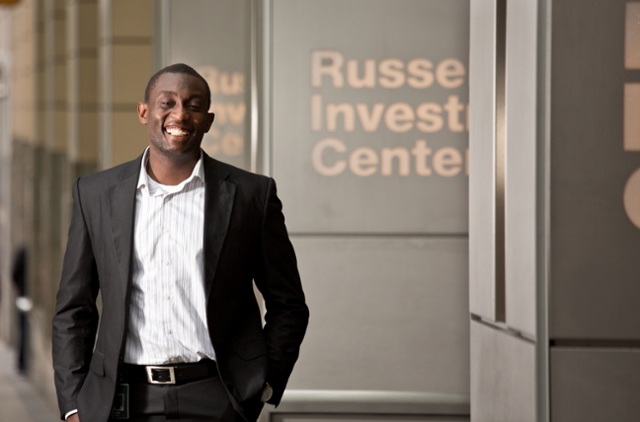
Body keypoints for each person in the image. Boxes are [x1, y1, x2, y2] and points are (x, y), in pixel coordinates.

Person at [52, 63, 309, 422]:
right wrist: (74, 405)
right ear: (144, 112)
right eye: (167, 103)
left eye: (194, 105)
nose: (180, 114)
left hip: (218, 399)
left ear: (208, 119)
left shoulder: (252, 195)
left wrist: (263, 386)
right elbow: (73, 308)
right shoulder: (95, 194)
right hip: (123, 399)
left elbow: (289, 304)